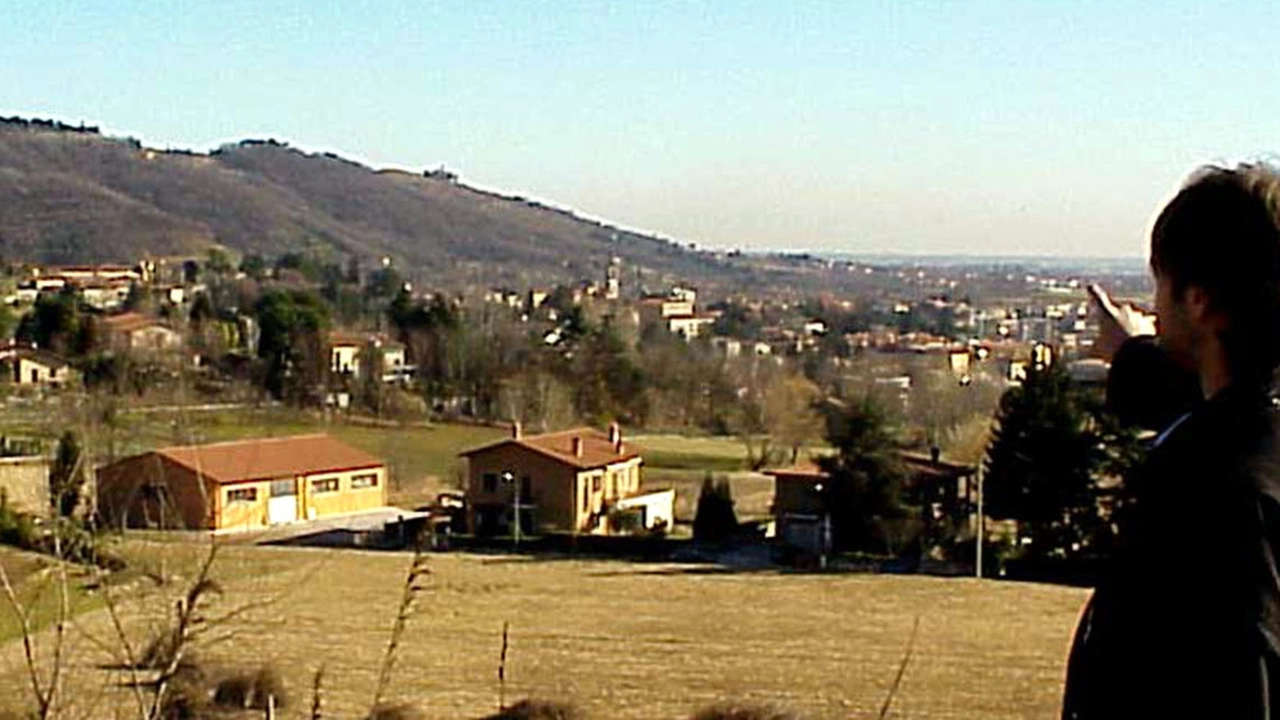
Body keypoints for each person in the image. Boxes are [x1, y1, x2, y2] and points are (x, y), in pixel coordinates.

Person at [1062, 163, 1280, 718]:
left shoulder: (1229, 499)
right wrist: (1132, 353)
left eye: (1160, 283)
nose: (1152, 303)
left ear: (1198, 300)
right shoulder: (1250, 434)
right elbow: (1214, 406)